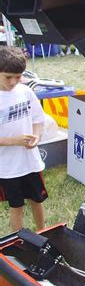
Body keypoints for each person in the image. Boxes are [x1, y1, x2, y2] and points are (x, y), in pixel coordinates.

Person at [0, 46, 47, 232]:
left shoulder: (26, 92)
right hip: (8, 167)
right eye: (8, 77)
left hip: (30, 162)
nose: (13, 82)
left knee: (37, 200)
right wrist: (15, 141)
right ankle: (17, 242)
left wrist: (36, 135)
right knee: (16, 206)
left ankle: (43, 232)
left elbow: (38, 118)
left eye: (18, 77)